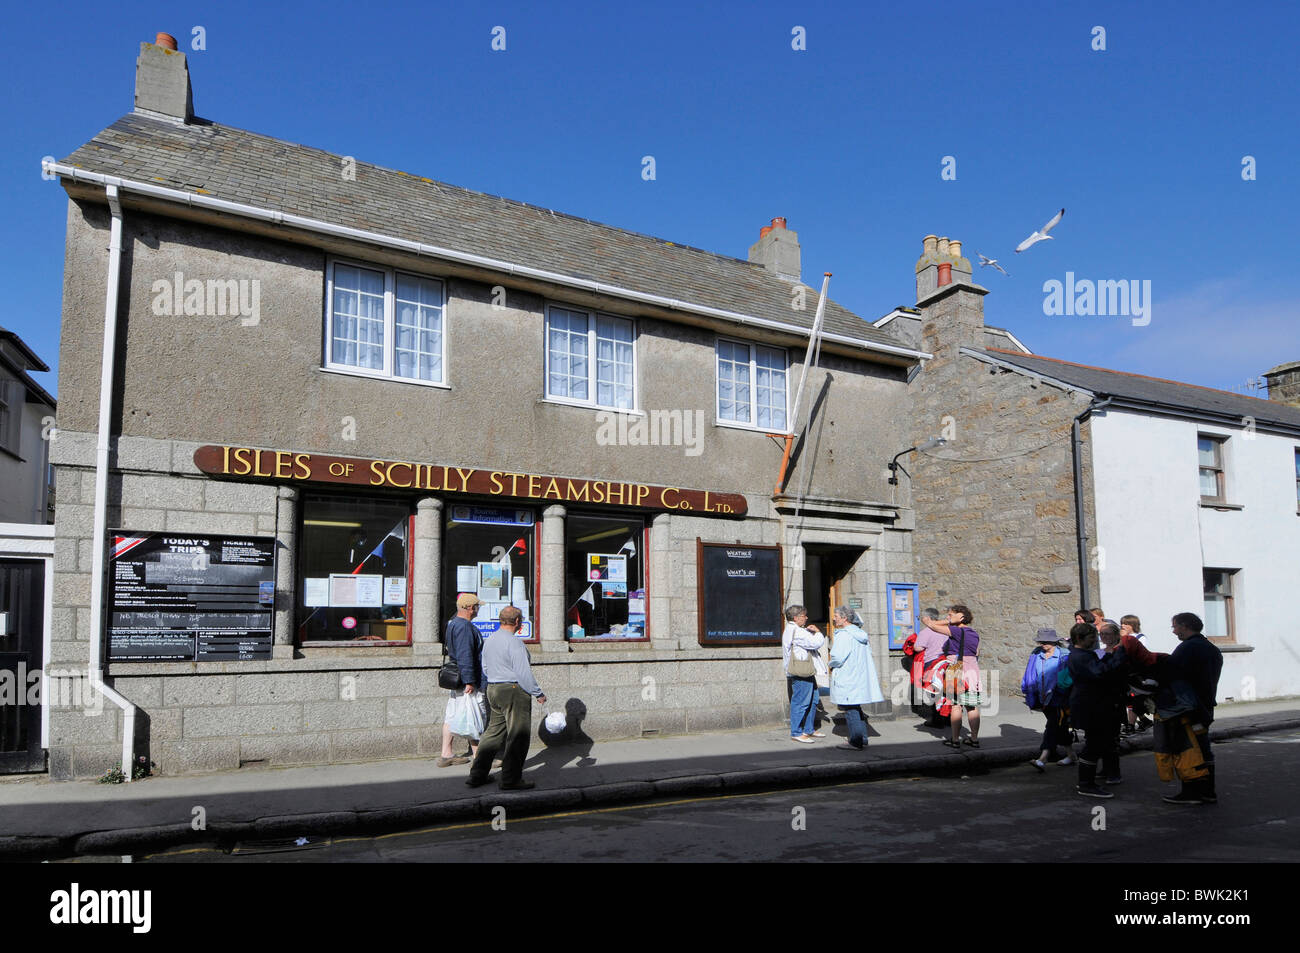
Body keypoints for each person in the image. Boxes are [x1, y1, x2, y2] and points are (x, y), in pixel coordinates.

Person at [466, 606, 547, 790]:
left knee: (493, 733)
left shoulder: (490, 640)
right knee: (518, 736)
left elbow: (485, 667)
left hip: (493, 689)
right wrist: (538, 693)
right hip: (512, 690)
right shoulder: (515, 642)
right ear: (518, 621)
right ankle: (511, 779)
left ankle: (477, 775)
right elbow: (523, 672)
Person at [1160, 612, 1224, 805]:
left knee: (1188, 749)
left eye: (1175, 626)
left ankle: (1192, 792)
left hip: (1187, 709)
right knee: (1203, 747)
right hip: (1205, 706)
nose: (1173, 631)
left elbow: (1170, 675)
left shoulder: (1187, 648)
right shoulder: (1211, 648)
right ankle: (1207, 791)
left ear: (1185, 626)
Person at [1066, 622, 1129, 798]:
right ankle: (1086, 784)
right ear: (1080, 638)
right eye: (1092, 637)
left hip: (1092, 705)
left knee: (1099, 742)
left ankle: (1093, 778)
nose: (1095, 640)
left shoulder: (1082, 654)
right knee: (1093, 746)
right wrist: (1118, 655)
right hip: (1091, 707)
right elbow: (1101, 672)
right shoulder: (1081, 657)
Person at [921, 604, 982, 748]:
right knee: (972, 707)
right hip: (972, 671)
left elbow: (931, 625)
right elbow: (977, 653)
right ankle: (974, 739)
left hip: (956, 670)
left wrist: (942, 621)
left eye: (950, 614)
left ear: (961, 617)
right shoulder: (974, 633)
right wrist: (952, 619)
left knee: (956, 706)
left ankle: (955, 739)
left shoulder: (956, 631)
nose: (947, 617)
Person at [438, 593, 486, 768]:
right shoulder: (465, 627)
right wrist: (470, 681)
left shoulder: (453, 623)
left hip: (456, 678)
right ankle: (479, 758)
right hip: (466, 680)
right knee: (474, 715)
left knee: (451, 715)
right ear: (470, 608)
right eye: (477, 606)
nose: (478, 609)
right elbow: (465, 655)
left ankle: (446, 753)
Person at [828, 606, 885, 750]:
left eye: (836, 616)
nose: (834, 618)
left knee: (850, 709)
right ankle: (862, 738)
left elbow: (838, 657)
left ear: (844, 618)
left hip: (847, 675)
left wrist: (830, 664)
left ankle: (856, 741)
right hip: (858, 676)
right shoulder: (859, 633)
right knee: (856, 707)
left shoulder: (844, 634)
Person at [1021, 628, 1073, 771]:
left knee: (1052, 725)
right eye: (1041, 640)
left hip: (1059, 696)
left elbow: (1069, 677)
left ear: (1054, 641)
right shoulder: (1036, 654)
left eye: (1046, 641)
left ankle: (1043, 757)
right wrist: (1026, 688)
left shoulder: (1065, 655)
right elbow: (1029, 672)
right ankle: (1071, 754)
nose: (1042, 643)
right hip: (1042, 697)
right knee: (1059, 726)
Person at [782, 604, 826, 744]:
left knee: (813, 700)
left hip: (805, 670)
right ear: (796, 618)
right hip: (801, 672)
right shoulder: (797, 631)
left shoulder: (793, 629)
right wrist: (818, 632)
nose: (806, 618)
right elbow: (815, 643)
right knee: (801, 702)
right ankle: (796, 732)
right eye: (803, 616)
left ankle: (808, 729)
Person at [1095, 620, 1127, 783]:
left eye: (1107, 634)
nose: (1104, 637)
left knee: (1111, 739)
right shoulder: (1101, 652)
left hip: (1114, 699)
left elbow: (1115, 672)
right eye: (1102, 634)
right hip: (1102, 700)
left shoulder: (1120, 651)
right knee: (1102, 738)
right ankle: (1106, 769)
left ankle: (1114, 773)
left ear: (1115, 635)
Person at [911, 607, 949, 727]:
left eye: (922, 617)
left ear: (927, 618)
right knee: (947, 692)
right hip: (946, 662)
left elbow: (918, 648)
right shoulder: (945, 629)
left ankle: (937, 720)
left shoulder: (926, 632)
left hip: (932, 663)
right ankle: (948, 719)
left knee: (934, 691)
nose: (921, 619)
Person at [1119, 615, 1153, 732]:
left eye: (1126, 624)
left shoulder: (1140, 638)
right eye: (1122, 623)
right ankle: (1142, 721)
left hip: (1135, 674)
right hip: (1125, 672)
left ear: (1133, 625)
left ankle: (1132, 724)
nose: (1122, 626)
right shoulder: (1121, 637)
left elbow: (1139, 654)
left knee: (1134, 699)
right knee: (1129, 699)